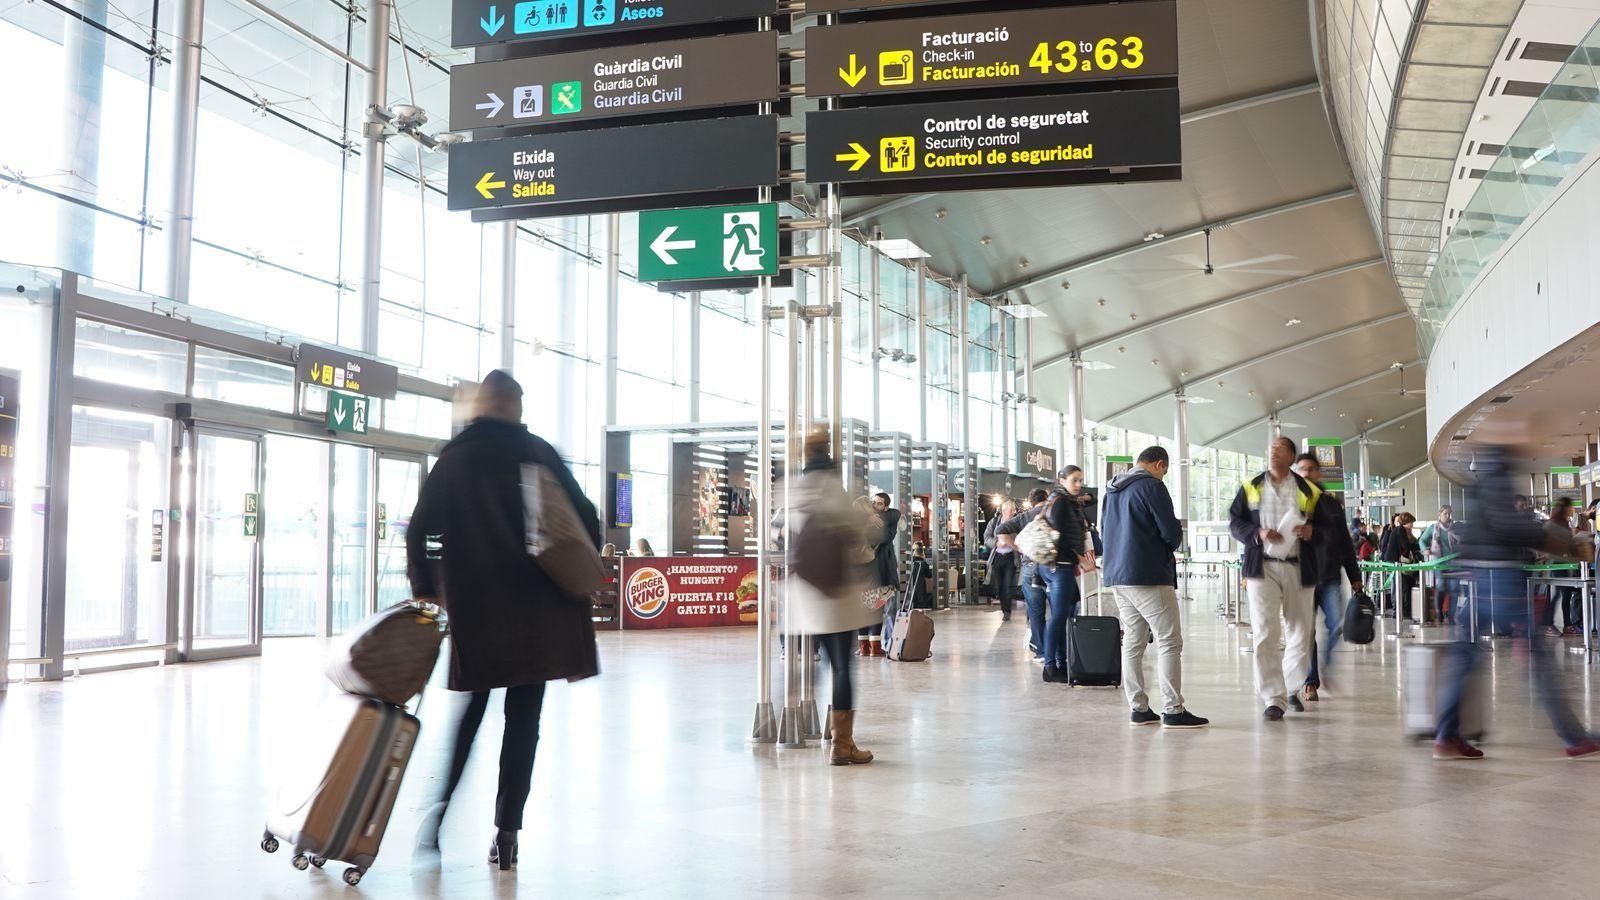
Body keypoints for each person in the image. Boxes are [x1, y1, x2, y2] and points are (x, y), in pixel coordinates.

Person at [407, 370, 601, 869]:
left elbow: (419, 532)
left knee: (468, 718)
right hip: (538, 617)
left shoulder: (454, 461)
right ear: (515, 406)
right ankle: (507, 833)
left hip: (479, 614)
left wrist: (428, 592)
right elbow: (586, 517)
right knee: (523, 723)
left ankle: (435, 823)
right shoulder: (537, 452)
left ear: (481, 405)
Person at [1434, 442, 1600, 760]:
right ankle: (1574, 737)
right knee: (1538, 658)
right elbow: (1508, 526)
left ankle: (1446, 736)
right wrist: (1546, 538)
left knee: (1464, 655)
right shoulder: (1499, 481)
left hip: (1475, 581)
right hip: (1500, 580)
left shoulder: (1477, 488)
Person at [785, 427, 879, 765]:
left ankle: (792, 719)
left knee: (812, 662)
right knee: (841, 667)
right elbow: (857, 537)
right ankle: (842, 745)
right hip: (836, 593)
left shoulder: (793, 489)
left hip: (803, 593)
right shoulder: (835, 489)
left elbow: (783, 531)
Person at [1227, 436, 1339, 720]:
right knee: (1265, 632)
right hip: (1261, 566)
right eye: (1270, 449)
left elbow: (1331, 531)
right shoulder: (1251, 487)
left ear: (1291, 456)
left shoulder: (1309, 491)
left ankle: (1289, 687)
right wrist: (1257, 534)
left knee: (1301, 633)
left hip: (1299, 567)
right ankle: (1273, 698)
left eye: (1279, 449)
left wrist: (1313, 533)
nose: (1273, 452)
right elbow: (1235, 522)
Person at [1101, 446, 1207, 729]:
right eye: (1165, 471)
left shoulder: (1111, 490)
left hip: (1117, 576)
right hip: (1147, 574)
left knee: (1133, 641)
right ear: (1159, 464)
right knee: (1169, 640)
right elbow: (1170, 533)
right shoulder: (1152, 487)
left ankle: (1138, 707)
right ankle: (1173, 709)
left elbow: (1104, 532)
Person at [1292, 453, 1363, 702]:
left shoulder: (1332, 505)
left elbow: (1344, 543)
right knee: (1307, 632)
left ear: (1318, 473)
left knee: (1336, 625)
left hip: (1329, 575)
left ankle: (1326, 666)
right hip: (1302, 577)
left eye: (1311, 469)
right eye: (1301, 469)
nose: (1306, 474)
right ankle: (1311, 682)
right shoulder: (1291, 502)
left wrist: (1355, 576)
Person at [1041, 466, 1093, 684]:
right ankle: (1050, 666)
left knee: (1068, 613)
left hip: (1063, 566)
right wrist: (1080, 559)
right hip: (1058, 566)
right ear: (1061, 480)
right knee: (1059, 616)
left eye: (1080, 480)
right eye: (1074, 480)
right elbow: (1058, 537)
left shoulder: (1067, 501)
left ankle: (1061, 662)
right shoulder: (1060, 502)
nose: (1079, 485)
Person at [996, 488, 1050, 660]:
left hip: (1030, 566)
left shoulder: (1025, 516)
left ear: (1031, 501)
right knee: (1058, 610)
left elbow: (1001, 530)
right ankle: (1056, 652)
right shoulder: (1052, 513)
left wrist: (1019, 547)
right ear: (1046, 498)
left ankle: (1041, 651)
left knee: (1035, 611)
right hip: (1052, 566)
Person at [1537, 498, 1579, 637]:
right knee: (1560, 593)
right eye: (1570, 506)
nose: (1572, 509)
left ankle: (1565, 624)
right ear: (1565, 508)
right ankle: (1550, 623)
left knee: (1564, 594)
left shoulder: (1564, 522)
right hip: (1556, 563)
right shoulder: (1553, 523)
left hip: (1564, 563)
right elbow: (1543, 540)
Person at [865, 492, 900, 655]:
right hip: (870, 573)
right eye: (873, 502)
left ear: (885, 507)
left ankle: (890, 645)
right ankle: (870, 646)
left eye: (879, 503)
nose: (874, 506)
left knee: (889, 611)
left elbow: (885, 536)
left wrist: (870, 519)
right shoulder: (868, 517)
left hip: (886, 572)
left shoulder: (891, 517)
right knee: (871, 610)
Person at [985, 499, 1020, 622]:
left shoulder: (1016, 523)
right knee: (999, 586)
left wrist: (1014, 543)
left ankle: (1007, 611)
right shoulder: (994, 522)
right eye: (1011, 510)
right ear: (1004, 511)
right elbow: (986, 538)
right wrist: (995, 543)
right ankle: (1003, 606)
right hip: (997, 558)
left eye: (1014, 510)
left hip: (1011, 558)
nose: (1013, 512)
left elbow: (1020, 537)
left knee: (1008, 585)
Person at [1380, 512, 1420, 620]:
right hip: (1395, 562)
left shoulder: (1399, 530)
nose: (1412, 525)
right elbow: (1404, 545)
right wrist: (1417, 546)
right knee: (1399, 586)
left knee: (1398, 586)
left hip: (1393, 561)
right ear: (1407, 522)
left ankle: (1398, 611)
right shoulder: (1401, 530)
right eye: (1411, 522)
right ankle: (1398, 611)